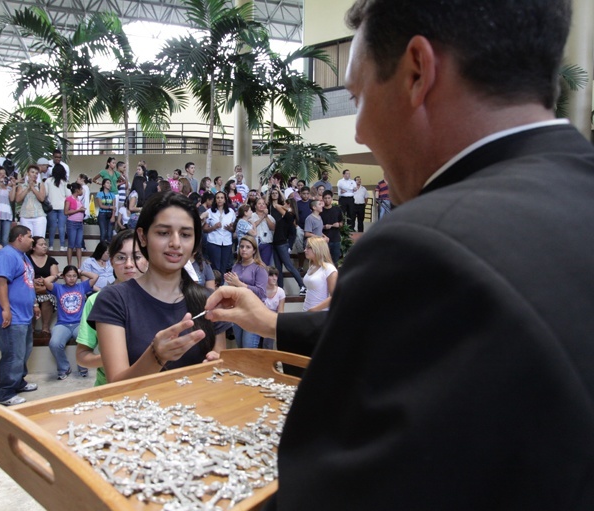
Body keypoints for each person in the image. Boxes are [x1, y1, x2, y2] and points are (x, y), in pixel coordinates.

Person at [204, 1, 594, 509]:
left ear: (416, 71)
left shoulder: (424, 244)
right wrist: (278, 324)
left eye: (359, 95)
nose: (361, 131)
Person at [88, 191, 230, 383]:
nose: (176, 243)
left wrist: (215, 364)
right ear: (143, 236)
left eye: (186, 234)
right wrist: (156, 356)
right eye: (163, 233)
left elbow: (219, 358)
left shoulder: (209, 301)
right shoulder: (114, 299)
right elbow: (116, 386)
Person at [76, 229, 149, 386]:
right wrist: (112, 358)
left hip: (155, 385)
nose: (129, 264)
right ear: (111, 262)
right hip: (110, 389)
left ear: (148, 259)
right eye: (121, 258)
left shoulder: (161, 298)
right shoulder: (97, 301)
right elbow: (82, 356)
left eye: (137, 257)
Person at [0, 225, 39, 406]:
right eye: (29, 236)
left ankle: (18, 382)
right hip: (10, 316)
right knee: (13, 355)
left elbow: (28, 283)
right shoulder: (6, 255)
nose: (32, 240)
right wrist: (6, 309)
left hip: (23, 316)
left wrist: (33, 304)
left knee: (23, 352)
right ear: (19, 237)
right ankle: (5, 393)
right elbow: (0, 281)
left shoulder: (23, 257)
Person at [43, 265, 98, 379]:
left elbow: (95, 277)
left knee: (86, 342)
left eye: (74, 276)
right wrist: (57, 275)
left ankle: (83, 366)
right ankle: (64, 368)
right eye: (68, 276)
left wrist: (81, 271)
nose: (71, 278)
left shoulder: (82, 286)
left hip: (80, 323)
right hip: (63, 324)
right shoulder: (58, 288)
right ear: (64, 277)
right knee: (54, 343)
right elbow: (46, 281)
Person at [225, 235, 267, 349]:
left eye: (248, 247)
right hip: (238, 310)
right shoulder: (236, 266)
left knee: (249, 348)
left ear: (254, 250)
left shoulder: (259, 268)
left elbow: (261, 293)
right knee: (240, 348)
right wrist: (230, 283)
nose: (243, 249)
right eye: (241, 246)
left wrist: (239, 284)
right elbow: (234, 289)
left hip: (253, 311)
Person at [267, 188, 306, 294]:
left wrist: (281, 194)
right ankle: (280, 289)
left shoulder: (289, 215)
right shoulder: (286, 216)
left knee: (289, 266)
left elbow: (276, 206)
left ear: (289, 205)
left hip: (282, 244)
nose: (283, 204)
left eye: (285, 203)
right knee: (278, 268)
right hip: (276, 244)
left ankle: (302, 286)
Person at [28, 236, 59, 335]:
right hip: (30, 287)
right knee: (29, 298)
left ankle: (45, 328)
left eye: (45, 244)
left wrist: (44, 281)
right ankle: (31, 327)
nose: (44, 246)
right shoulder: (26, 259)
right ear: (33, 247)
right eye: (41, 244)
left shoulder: (51, 260)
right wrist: (33, 281)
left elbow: (55, 276)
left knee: (48, 298)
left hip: (45, 288)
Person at [203, 191, 235, 276]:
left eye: (222, 198)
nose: (220, 200)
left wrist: (230, 228)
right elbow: (205, 229)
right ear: (215, 200)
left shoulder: (231, 212)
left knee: (224, 267)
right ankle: (215, 285)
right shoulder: (210, 211)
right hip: (214, 241)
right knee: (215, 266)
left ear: (225, 200)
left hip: (227, 242)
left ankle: (222, 285)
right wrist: (213, 227)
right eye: (218, 198)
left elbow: (234, 229)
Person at [302, 237, 337, 312]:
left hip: (320, 313)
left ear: (318, 249)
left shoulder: (329, 269)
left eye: (309, 247)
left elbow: (335, 297)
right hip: (306, 310)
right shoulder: (312, 266)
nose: (305, 250)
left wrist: (314, 309)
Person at [44, 164, 70, 250]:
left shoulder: (48, 181)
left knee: (52, 227)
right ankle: (62, 246)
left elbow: (45, 193)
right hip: (62, 206)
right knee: (62, 227)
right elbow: (68, 195)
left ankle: (50, 246)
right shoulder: (64, 182)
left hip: (51, 206)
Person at [16, 164, 47, 237]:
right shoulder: (22, 186)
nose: (34, 174)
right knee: (26, 240)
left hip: (39, 216)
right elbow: (18, 199)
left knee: (39, 239)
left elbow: (42, 198)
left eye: (36, 173)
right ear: (28, 173)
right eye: (32, 172)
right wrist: (27, 188)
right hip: (25, 216)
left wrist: (32, 187)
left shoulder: (40, 185)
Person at [0, 166, 17, 246]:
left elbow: (12, 199)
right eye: (0, 174)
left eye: (4, 174)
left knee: (5, 239)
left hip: (7, 214)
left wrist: (14, 186)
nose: (3, 175)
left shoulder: (8, 187)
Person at [261, 266, 284, 349]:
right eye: (271, 275)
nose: (274, 278)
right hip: (259, 318)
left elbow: (280, 311)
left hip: (272, 320)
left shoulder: (280, 291)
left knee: (268, 344)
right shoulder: (260, 290)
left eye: (276, 275)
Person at [64, 183, 86, 267]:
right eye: (81, 189)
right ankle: (69, 265)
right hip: (72, 223)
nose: (82, 191)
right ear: (77, 190)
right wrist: (78, 210)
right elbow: (66, 212)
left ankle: (79, 266)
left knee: (79, 245)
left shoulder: (78, 199)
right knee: (71, 245)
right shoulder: (69, 199)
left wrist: (82, 211)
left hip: (79, 223)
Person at [320, 190, 343, 266]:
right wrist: (324, 226)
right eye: (325, 198)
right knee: (324, 262)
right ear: (323, 199)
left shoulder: (337, 209)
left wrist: (338, 224)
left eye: (329, 198)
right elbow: (316, 226)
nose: (327, 200)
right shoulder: (320, 211)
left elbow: (342, 223)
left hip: (336, 239)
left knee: (335, 261)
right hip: (324, 239)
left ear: (332, 198)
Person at [251, 197, 275, 266]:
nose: (261, 205)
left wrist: (266, 217)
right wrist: (262, 217)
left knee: (265, 264)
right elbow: (252, 226)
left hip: (267, 243)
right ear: (255, 206)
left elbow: (273, 228)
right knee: (254, 264)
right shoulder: (252, 216)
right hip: (255, 243)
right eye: (259, 203)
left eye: (263, 204)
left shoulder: (270, 217)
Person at [95, 178, 116, 243]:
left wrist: (113, 216)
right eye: (107, 183)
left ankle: (109, 251)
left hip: (110, 214)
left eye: (110, 183)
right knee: (103, 234)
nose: (109, 184)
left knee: (110, 235)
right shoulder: (99, 194)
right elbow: (101, 205)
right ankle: (102, 251)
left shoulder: (112, 195)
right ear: (103, 184)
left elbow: (114, 207)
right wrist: (110, 207)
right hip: (102, 214)